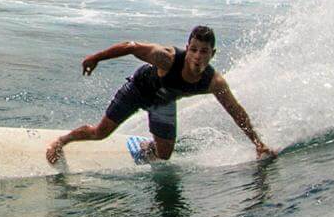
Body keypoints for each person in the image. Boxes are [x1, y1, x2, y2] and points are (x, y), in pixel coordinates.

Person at [45, 25, 274, 166]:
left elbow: (236, 112)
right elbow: (131, 46)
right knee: (100, 132)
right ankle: (61, 141)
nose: (197, 56)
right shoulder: (167, 58)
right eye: (193, 49)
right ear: (188, 48)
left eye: (204, 51)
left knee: (164, 155)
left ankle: (147, 147)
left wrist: (257, 143)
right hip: (138, 90)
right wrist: (95, 58)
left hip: (163, 102)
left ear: (212, 54)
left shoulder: (214, 83)